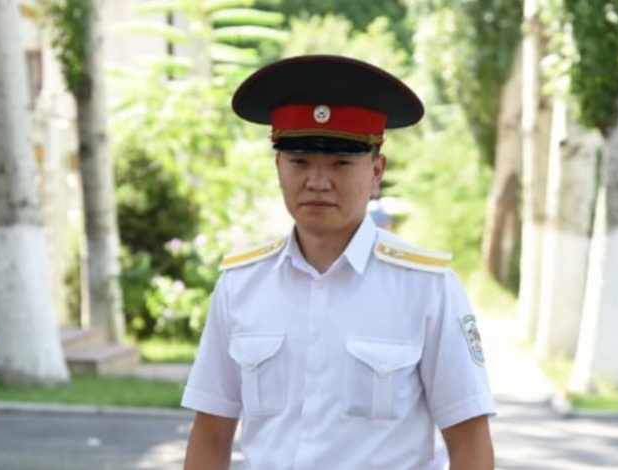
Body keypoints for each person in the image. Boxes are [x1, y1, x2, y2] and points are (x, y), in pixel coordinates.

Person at [181, 55, 495, 470]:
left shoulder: (426, 287)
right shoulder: (242, 283)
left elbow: (470, 442)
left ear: (376, 171)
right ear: (278, 166)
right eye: (299, 162)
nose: (317, 182)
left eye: (341, 164)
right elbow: (210, 433)